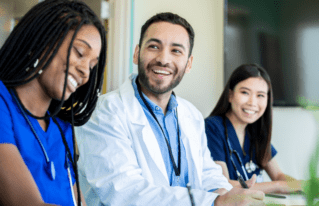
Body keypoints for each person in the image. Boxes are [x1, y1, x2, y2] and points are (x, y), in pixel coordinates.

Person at [76, 12, 265, 206]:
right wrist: (216, 202)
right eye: (154, 46)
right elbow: (124, 192)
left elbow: (206, 172)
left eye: (176, 51)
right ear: (136, 54)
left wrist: (225, 194)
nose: (163, 59)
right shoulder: (104, 112)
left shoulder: (191, 114)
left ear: (188, 63)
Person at [0, 0, 106, 205]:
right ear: (43, 41)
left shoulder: (61, 129)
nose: (86, 71)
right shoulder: (3, 104)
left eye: (92, 65)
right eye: (80, 53)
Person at [205, 64, 302, 194]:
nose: (252, 102)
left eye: (260, 95)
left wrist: (303, 187)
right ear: (230, 95)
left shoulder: (255, 132)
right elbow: (223, 183)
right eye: (245, 92)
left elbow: (278, 176)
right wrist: (278, 186)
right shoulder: (212, 127)